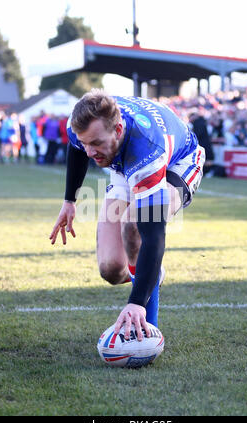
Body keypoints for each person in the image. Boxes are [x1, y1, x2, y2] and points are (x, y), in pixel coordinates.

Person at [50, 90, 205, 342]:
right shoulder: (80, 125)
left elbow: (153, 235)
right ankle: (152, 273)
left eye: (96, 143)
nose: (90, 151)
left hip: (179, 160)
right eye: (86, 142)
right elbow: (77, 148)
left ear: (118, 129)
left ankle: (147, 330)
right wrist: (69, 201)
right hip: (123, 162)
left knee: (134, 226)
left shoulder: (146, 151)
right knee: (111, 269)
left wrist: (135, 303)